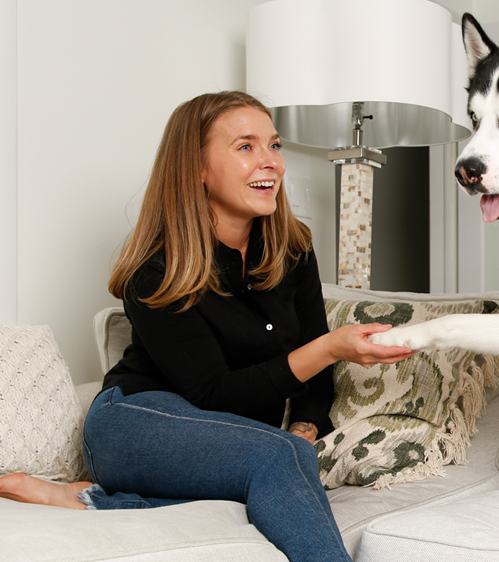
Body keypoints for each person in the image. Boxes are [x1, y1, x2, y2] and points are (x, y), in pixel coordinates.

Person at [0, 91, 415, 561]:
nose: (271, 162)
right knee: (276, 458)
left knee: (280, 462)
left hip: (226, 433)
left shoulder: (292, 249)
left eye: (274, 146)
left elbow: (312, 376)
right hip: (132, 424)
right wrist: (331, 349)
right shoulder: (155, 270)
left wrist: (304, 427)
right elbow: (216, 393)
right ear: (197, 168)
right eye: (246, 147)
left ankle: (86, 498)